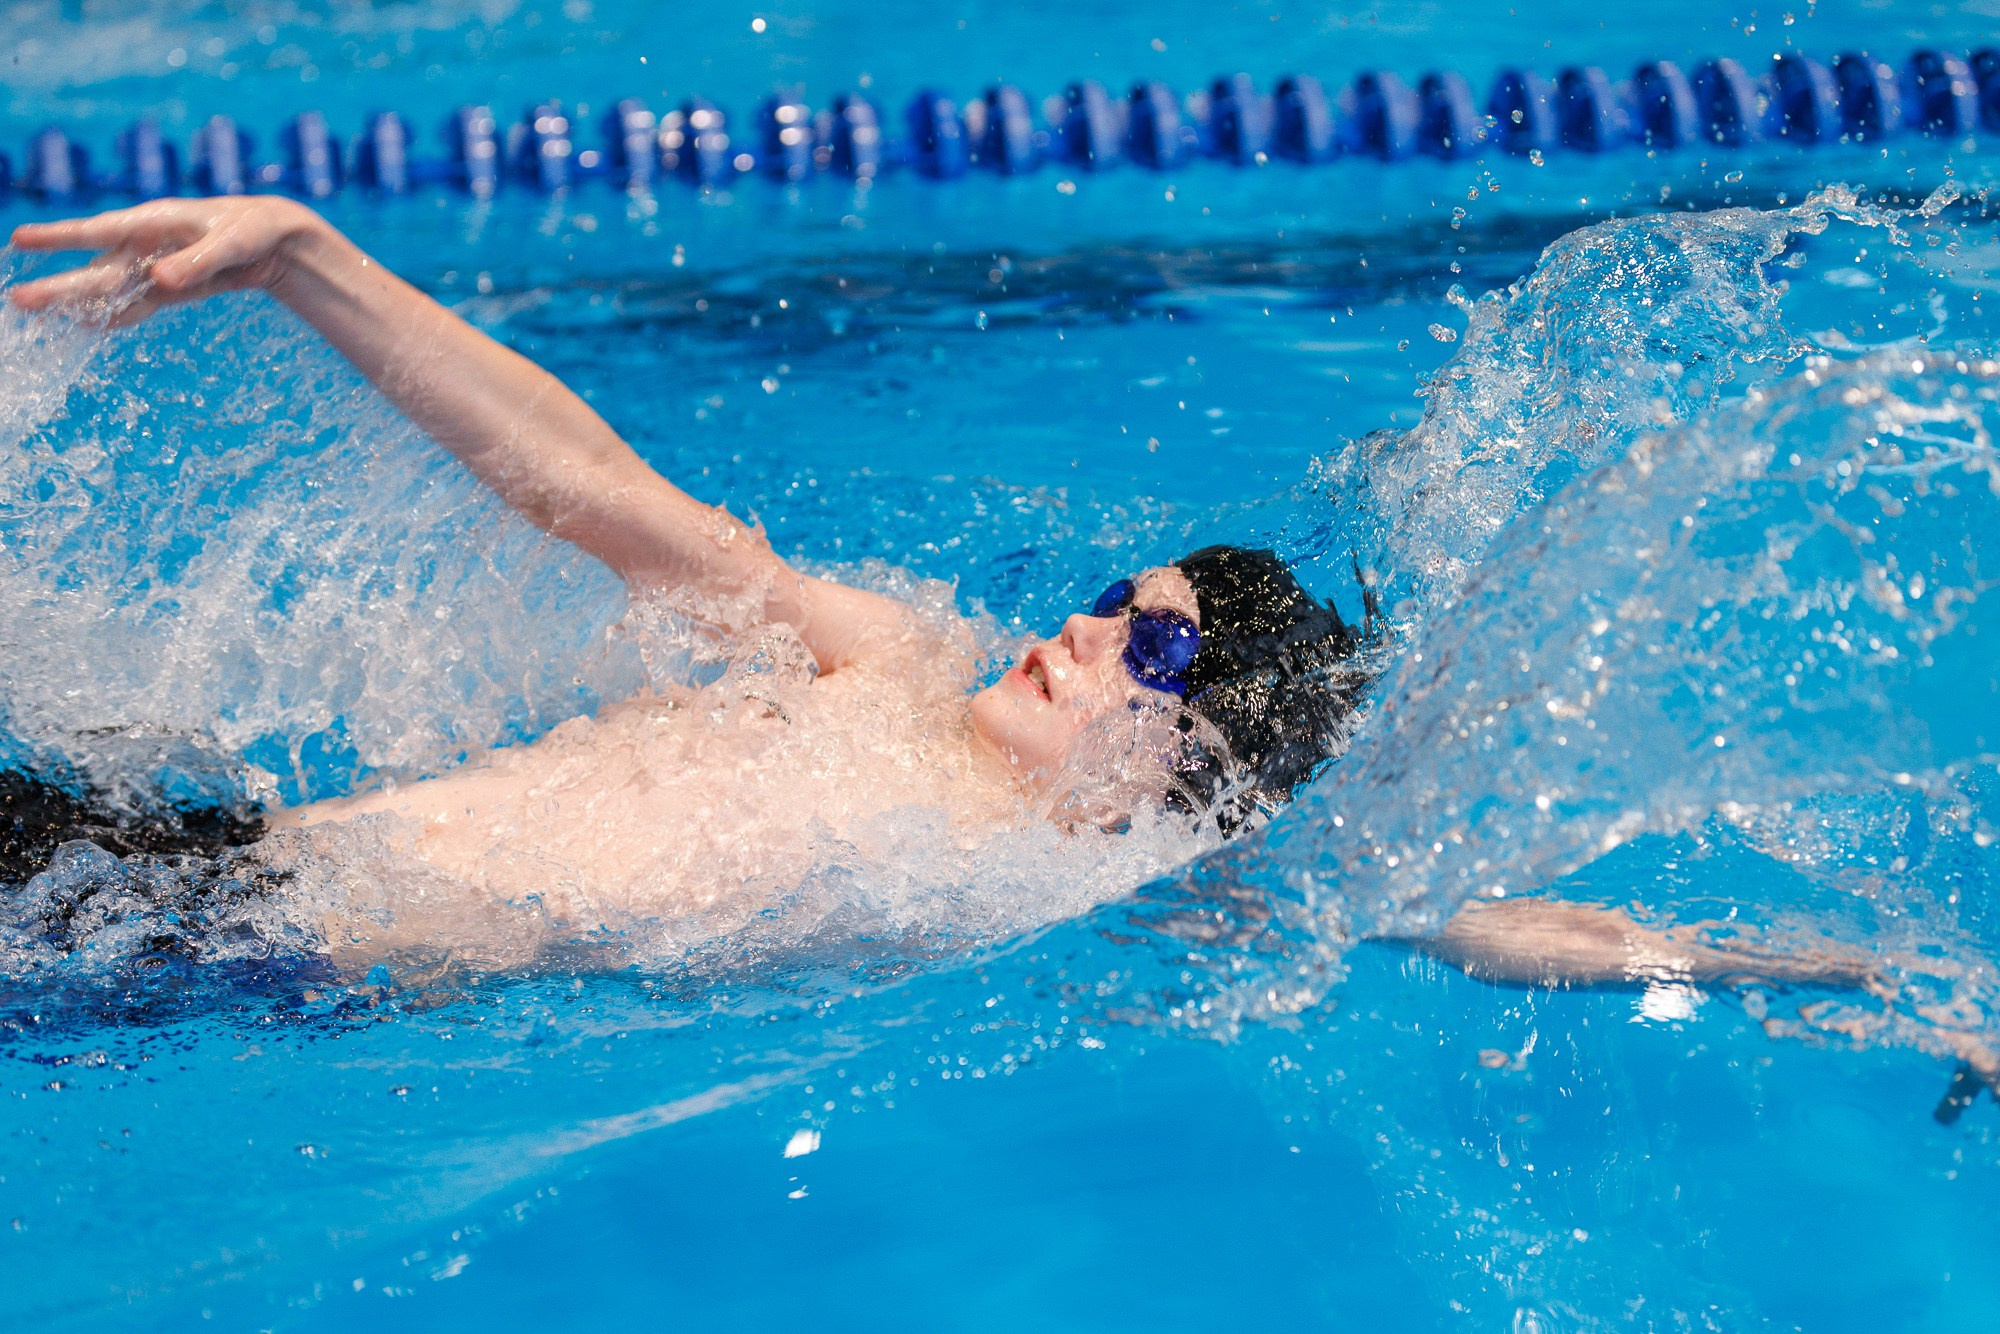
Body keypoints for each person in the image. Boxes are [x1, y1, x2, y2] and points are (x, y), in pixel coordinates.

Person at [7, 199, 1995, 1112]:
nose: (1082, 628)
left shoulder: (1095, 873)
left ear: (1184, 775)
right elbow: (589, 491)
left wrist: (1854, 971)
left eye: (1149, 644)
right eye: (1109, 599)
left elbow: (1484, 918)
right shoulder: (882, 660)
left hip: (236, 977)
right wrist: (302, 259)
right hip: (171, 884)